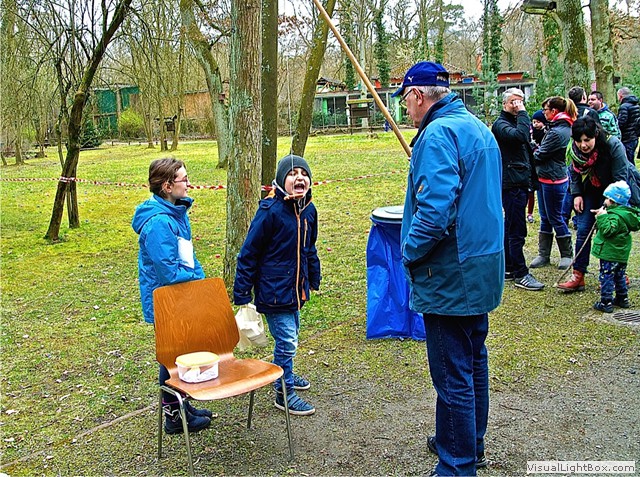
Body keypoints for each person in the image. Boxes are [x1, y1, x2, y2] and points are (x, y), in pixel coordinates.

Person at [393, 61, 503, 476]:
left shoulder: (438, 134)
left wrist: (409, 252)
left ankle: (457, 465)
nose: (405, 109)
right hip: (480, 264)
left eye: (405, 101)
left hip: (450, 272)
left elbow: (434, 212)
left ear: (418, 95)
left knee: (453, 372)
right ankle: (468, 443)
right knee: (472, 361)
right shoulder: (476, 127)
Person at [233, 154, 321, 416]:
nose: (299, 178)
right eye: (293, 174)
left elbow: (309, 247)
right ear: (282, 181)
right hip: (273, 291)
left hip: (295, 289)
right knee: (287, 340)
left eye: (304, 174)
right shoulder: (270, 211)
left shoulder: (309, 211)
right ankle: (284, 393)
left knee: (292, 335)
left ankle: (286, 372)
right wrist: (242, 293)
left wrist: (313, 276)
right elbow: (248, 253)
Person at [132, 157, 211, 434]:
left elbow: (186, 256)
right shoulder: (158, 223)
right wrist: (197, 279)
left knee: (182, 354)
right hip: (167, 301)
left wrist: (199, 279)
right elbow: (169, 272)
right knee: (171, 359)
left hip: (181, 297)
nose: (188, 184)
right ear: (167, 186)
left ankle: (183, 405)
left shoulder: (175, 213)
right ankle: (173, 417)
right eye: (183, 179)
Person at [558, 116, 629, 292]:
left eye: (587, 140)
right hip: (590, 189)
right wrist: (577, 194)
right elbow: (574, 172)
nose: (583, 145)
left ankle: (616, 274)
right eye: (579, 141)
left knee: (610, 233)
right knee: (583, 230)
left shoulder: (613, 145)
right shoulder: (574, 149)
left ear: (595, 135)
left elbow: (621, 177)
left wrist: (611, 202)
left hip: (613, 192)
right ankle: (578, 274)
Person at [492, 88, 544, 291]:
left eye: (521, 101)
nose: (518, 105)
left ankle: (509, 266)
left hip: (519, 180)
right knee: (517, 229)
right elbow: (521, 136)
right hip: (511, 183)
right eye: (514, 101)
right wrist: (523, 113)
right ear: (505, 104)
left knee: (511, 226)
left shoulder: (513, 122)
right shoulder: (501, 125)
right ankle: (521, 273)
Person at [530, 96, 576, 270]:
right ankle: (544, 254)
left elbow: (540, 155)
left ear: (554, 111)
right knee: (545, 217)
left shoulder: (558, 132)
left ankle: (567, 255)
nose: (544, 113)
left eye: (545, 110)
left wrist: (532, 149)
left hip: (553, 179)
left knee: (555, 217)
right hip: (545, 177)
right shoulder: (559, 127)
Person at [590, 180, 640, 312]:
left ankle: (605, 302)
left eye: (607, 198)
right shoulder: (625, 214)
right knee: (619, 275)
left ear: (613, 201)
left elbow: (608, 230)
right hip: (621, 254)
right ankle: (622, 298)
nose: (604, 201)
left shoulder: (615, 217)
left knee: (606, 276)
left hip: (610, 254)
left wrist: (602, 218)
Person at [527, 109, 547, 223]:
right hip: (530, 164)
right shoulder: (530, 132)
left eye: (538, 122)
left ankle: (530, 213)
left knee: (535, 190)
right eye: (534, 122)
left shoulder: (547, 133)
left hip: (540, 167)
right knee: (529, 190)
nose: (535, 124)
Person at [617, 87, 640, 164]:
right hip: (634, 137)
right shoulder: (636, 105)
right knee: (630, 160)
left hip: (627, 138)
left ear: (620, 96)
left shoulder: (624, 107)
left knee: (627, 162)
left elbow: (621, 122)